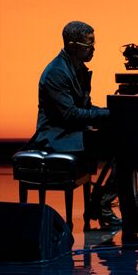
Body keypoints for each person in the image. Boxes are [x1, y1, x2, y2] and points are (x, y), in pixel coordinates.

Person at [26, 20, 121, 229]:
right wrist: (107, 114)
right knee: (124, 150)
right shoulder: (56, 73)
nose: (93, 49)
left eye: (93, 43)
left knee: (124, 143)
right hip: (56, 136)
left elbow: (85, 107)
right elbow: (69, 114)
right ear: (71, 46)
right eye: (88, 45)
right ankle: (104, 203)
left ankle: (101, 201)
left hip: (73, 131)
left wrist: (108, 114)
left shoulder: (76, 68)